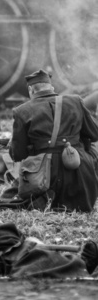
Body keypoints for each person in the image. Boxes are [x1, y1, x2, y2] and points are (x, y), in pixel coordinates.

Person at [9, 69, 98, 212]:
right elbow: (94, 134)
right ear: (52, 88)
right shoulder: (76, 101)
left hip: (45, 181)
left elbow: (17, 154)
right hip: (82, 181)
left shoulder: (21, 111)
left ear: (31, 90)